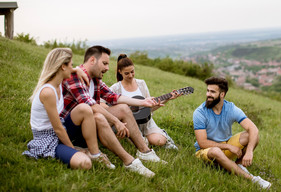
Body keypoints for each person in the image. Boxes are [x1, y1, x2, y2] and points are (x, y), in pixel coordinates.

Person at [61, 45, 166, 177]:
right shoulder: (76, 76)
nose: (107, 68)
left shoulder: (95, 79)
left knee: (122, 108)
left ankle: (145, 152)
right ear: (92, 60)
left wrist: (142, 102)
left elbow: (114, 97)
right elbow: (90, 105)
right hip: (69, 129)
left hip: (88, 126)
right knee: (98, 116)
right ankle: (130, 162)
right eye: (104, 63)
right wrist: (116, 121)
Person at [23, 48, 113, 169]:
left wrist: (77, 70)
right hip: (48, 138)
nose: (73, 68)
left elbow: (68, 69)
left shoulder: (59, 82)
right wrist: (72, 150)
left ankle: (95, 154)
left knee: (85, 108)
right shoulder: (48, 92)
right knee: (84, 163)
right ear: (63, 67)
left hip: (62, 128)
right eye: (71, 65)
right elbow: (58, 129)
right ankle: (78, 150)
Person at [193, 77, 271, 189]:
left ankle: (238, 165)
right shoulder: (200, 112)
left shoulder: (231, 108)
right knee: (215, 151)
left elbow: (253, 128)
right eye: (208, 91)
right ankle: (253, 179)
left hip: (225, 148)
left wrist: (249, 151)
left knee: (252, 136)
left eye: (212, 92)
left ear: (222, 94)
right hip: (205, 152)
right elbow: (202, 143)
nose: (208, 94)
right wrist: (228, 146)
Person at [104, 54, 180, 149]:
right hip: (130, 125)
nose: (131, 75)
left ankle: (162, 135)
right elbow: (102, 103)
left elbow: (150, 109)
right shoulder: (116, 88)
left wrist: (168, 98)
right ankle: (141, 139)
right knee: (143, 144)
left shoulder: (141, 84)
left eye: (132, 72)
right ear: (120, 72)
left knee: (159, 141)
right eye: (127, 73)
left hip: (146, 123)